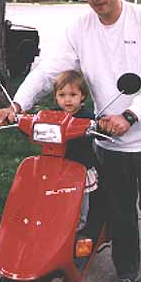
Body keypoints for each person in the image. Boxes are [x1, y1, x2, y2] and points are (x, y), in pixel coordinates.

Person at [0, 0, 141, 282]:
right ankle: (127, 272)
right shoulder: (80, 28)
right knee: (119, 211)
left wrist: (131, 116)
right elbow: (49, 69)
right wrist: (18, 104)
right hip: (108, 138)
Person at [53, 70, 99, 231]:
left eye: (73, 94)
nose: (67, 99)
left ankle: (80, 226)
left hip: (80, 166)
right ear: (56, 97)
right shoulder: (53, 115)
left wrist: (97, 125)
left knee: (80, 201)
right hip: (57, 167)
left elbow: (96, 125)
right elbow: (36, 121)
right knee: (55, 198)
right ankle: (56, 223)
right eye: (62, 95)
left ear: (82, 96)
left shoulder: (86, 116)